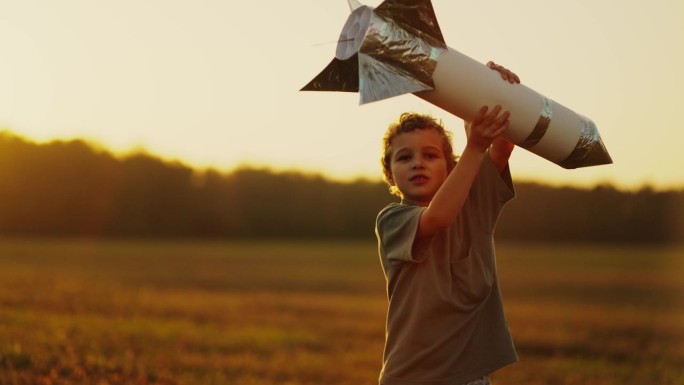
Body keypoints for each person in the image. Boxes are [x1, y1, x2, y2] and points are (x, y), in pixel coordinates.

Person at [374, 61, 521, 385]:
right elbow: (438, 217)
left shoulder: (475, 206)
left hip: (470, 377)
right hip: (413, 377)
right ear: (390, 173)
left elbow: (503, 146)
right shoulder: (393, 220)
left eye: (430, 155)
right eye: (404, 157)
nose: (417, 164)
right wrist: (475, 146)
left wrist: (497, 89)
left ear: (449, 165)